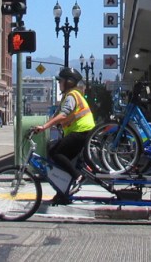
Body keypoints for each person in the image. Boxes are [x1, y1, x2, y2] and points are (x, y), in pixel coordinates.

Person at [35, 67, 96, 204]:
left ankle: (77, 176)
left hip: (81, 131)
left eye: (61, 81)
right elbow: (59, 115)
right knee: (60, 162)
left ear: (68, 82)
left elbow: (64, 114)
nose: (59, 83)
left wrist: (44, 127)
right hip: (81, 131)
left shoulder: (71, 95)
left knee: (55, 153)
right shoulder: (70, 95)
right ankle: (63, 194)